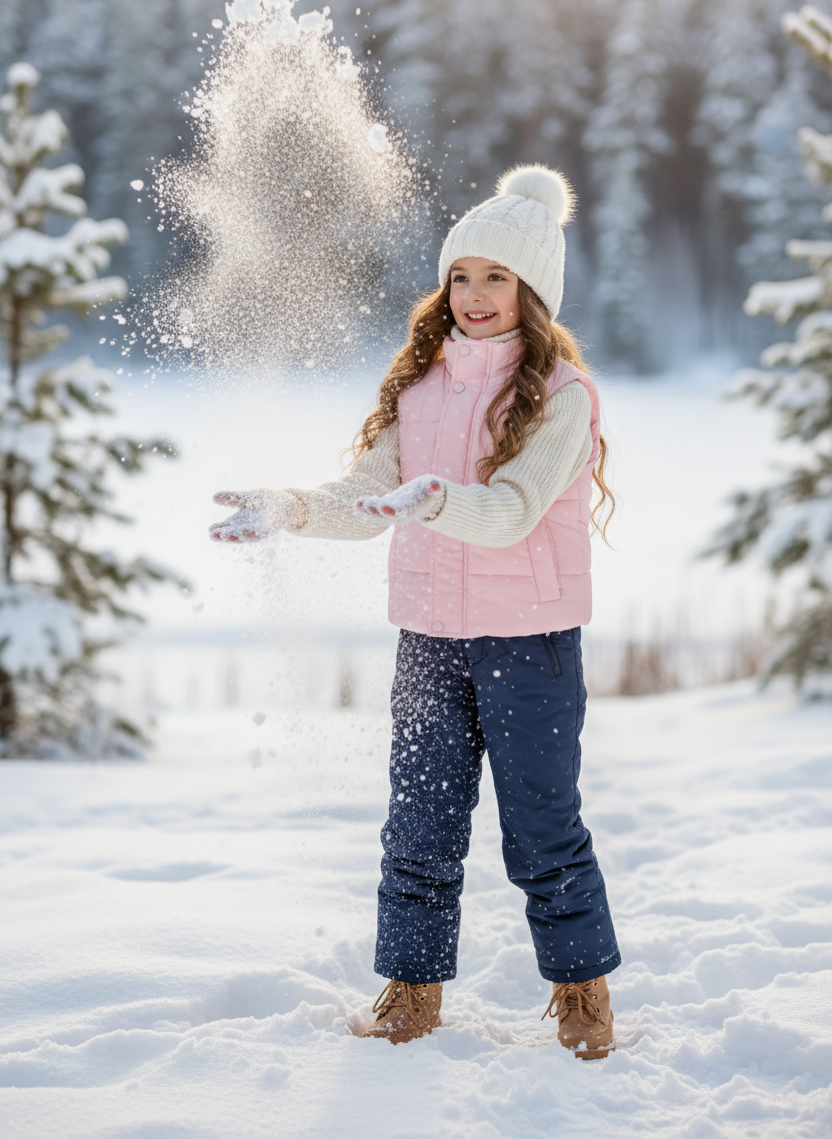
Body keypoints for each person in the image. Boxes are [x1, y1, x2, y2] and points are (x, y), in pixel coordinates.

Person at [209, 165, 620, 1059]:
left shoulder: (563, 400)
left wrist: (435, 501)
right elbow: (367, 494)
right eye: (461, 276)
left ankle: (583, 994)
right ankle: (412, 990)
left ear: (534, 290)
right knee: (420, 821)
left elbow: (510, 512)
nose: (473, 296)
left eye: (496, 278)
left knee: (543, 827)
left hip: (532, 643)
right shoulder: (421, 389)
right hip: (431, 640)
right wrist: (290, 507)